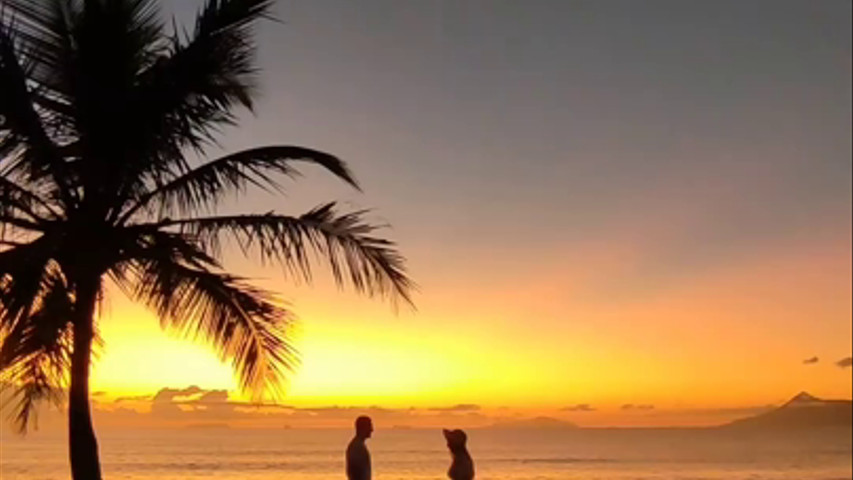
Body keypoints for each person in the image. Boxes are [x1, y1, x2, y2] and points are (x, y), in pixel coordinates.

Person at [346, 416, 373, 480]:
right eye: (370, 426)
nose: (372, 430)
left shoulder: (358, 446)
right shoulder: (357, 448)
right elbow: (355, 473)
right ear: (363, 428)